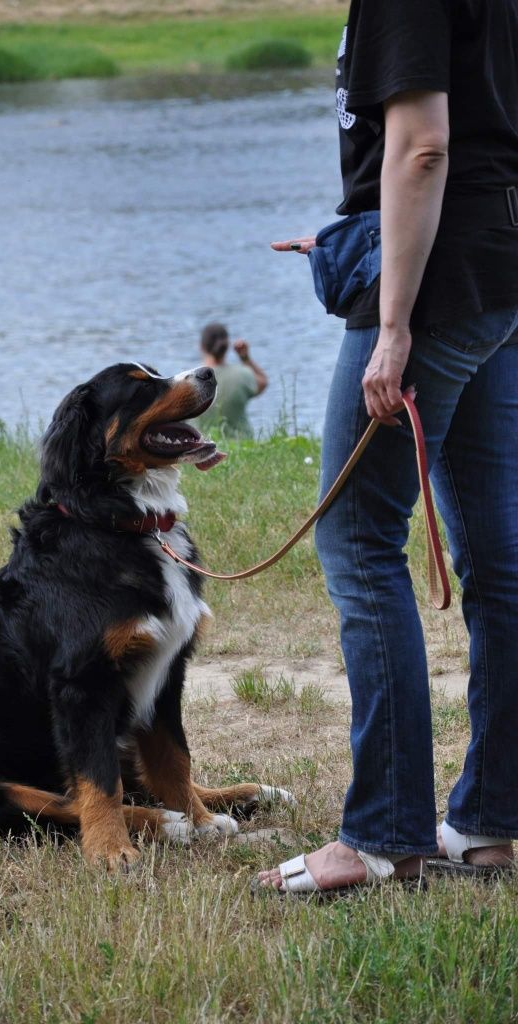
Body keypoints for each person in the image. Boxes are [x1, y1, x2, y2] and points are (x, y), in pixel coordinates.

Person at [257, 0, 518, 896]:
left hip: (439, 289)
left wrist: (395, 322)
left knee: (359, 542)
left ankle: (383, 840)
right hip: (495, 273)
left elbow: (423, 147)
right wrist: (355, 229)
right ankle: (486, 826)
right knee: (498, 557)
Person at [194, 322, 267, 438]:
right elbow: (263, 382)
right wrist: (245, 358)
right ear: (227, 346)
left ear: (201, 347)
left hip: (203, 448)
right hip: (242, 444)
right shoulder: (243, 374)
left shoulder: (190, 381)